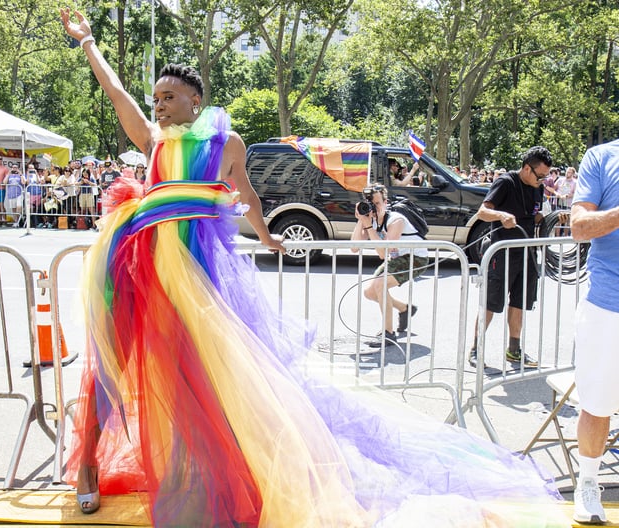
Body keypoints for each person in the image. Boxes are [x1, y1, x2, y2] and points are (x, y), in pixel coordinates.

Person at [60, 9, 568, 527]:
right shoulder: (154, 140)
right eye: (157, 99)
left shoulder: (226, 144)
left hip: (198, 273)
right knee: (112, 366)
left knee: (212, 375)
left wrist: (266, 236)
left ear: (197, 100)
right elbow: (116, 90)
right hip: (137, 264)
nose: (160, 105)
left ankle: (223, 470)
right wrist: (89, 42)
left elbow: (250, 197)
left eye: (169, 97)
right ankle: (86, 467)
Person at [569, 138, 619, 524]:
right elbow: (579, 227)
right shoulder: (602, 157)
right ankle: (588, 483)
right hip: (609, 305)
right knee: (598, 405)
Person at [468, 146, 552, 369]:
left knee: (520, 302)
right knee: (490, 303)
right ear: (526, 168)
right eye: (540, 176)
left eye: (545, 176)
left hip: (527, 253)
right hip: (502, 252)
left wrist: (548, 217)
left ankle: (514, 351)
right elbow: (482, 212)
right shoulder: (506, 182)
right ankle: (476, 349)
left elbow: (533, 216)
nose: (542, 180)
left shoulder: (537, 187)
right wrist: (501, 215)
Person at [350, 184, 427, 346]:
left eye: (377, 204)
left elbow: (383, 254)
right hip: (396, 257)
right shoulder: (371, 219)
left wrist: (369, 226)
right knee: (369, 292)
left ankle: (388, 333)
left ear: (386, 202)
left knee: (380, 284)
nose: (374, 208)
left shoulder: (396, 220)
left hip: (415, 258)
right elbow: (354, 247)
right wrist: (361, 219)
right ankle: (405, 309)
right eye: (371, 204)